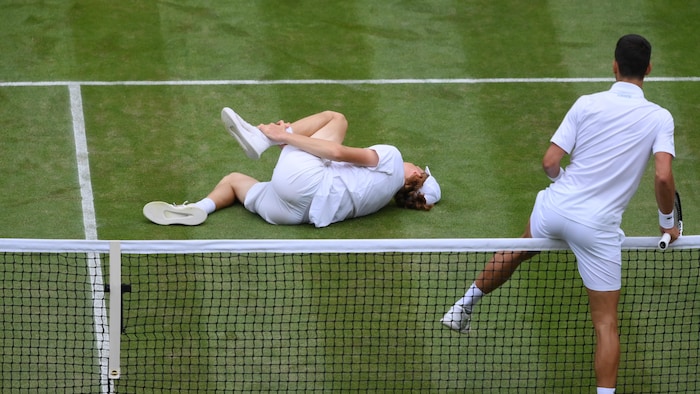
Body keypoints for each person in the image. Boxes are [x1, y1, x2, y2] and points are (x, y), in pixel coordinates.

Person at [441, 34, 678, 394]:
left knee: (519, 250)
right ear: (648, 69)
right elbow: (663, 176)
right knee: (605, 322)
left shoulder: (586, 104)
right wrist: (668, 223)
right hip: (597, 228)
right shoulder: (660, 118)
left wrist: (566, 184)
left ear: (614, 66)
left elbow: (550, 162)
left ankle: (461, 308)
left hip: (555, 206)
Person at [143, 108, 441, 228]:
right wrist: (296, 144)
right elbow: (332, 160)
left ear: (415, 176)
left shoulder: (391, 157)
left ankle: (261, 140)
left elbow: (336, 151)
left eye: (417, 166)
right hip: (293, 214)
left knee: (336, 119)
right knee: (234, 181)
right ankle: (199, 208)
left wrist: (283, 136)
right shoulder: (378, 202)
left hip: (304, 184)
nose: (412, 162)